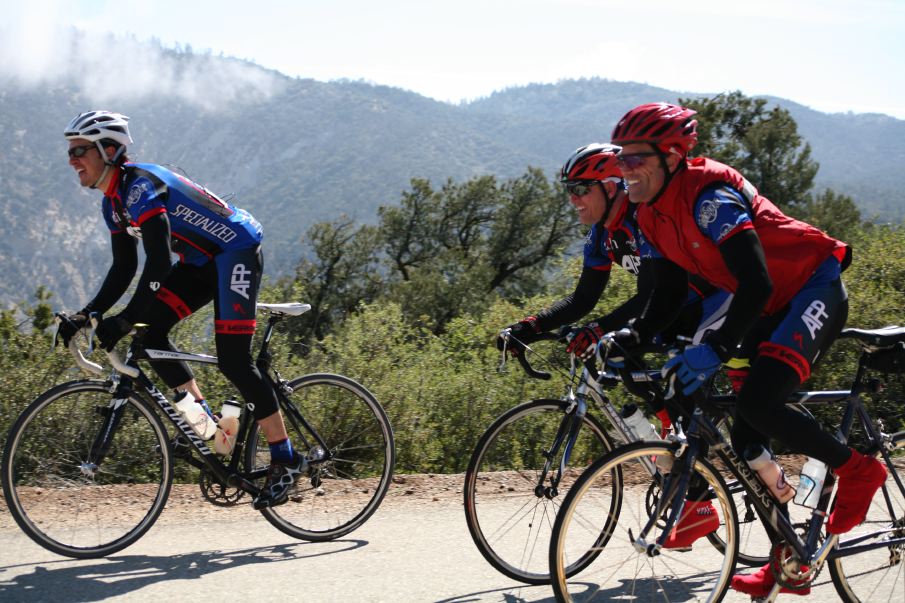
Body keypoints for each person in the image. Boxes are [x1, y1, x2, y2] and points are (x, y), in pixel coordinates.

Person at [609, 102, 887, 596]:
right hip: (767, 305)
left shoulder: (710, 198)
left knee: (761, 402)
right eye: (620, 159)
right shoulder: (648, 213)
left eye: (636, 159)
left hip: (810, 286)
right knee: (746, 440)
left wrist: (717, 346)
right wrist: (634, 336)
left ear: (673, 156)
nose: (624, 170)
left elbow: (755, 282)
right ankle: (787, 559)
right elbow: (669, 296)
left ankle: (859, 470)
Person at [59, 110, 306, 509]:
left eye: (79, 150)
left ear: (108, 150)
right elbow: (123, 268)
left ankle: (286, 458)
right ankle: (208, 428)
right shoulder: (113, 204)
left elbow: (156, 265)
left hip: (235, 250)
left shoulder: (140, 187)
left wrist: (122, 318)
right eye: (69, 151)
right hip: (200, 262)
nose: (72, 159)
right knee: (151, 334)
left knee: (234, 360)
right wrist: (86, 314)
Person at [497, 142, 732, 550]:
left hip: (714, 300)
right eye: (568, 189)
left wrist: (600, 328)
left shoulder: (644, 220)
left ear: (611, 186)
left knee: (640, 358)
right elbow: (582, 299)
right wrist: (528, 327)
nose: (572, 199)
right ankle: (679, 450)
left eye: (580, 188)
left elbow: (652, 296)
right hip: (675, 310)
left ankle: (697, 493)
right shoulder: (603, 235)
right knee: (621, 358)